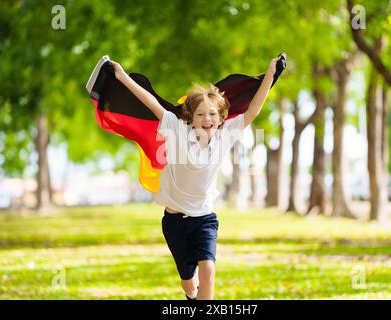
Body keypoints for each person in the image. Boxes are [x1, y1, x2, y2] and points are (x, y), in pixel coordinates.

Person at [111, 56, 282, 300]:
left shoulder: (225, 136)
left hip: (204, 219)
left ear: (221, 117)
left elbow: (253, 110)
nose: (207, 119)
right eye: (200, 114)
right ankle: (192, 295)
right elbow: (151, 102)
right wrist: (121, 76)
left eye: (212, 114)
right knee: (189, 283)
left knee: (208, 269)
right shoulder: (175, 128)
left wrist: (270, 74)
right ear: (190, 117)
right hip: (175, 221)